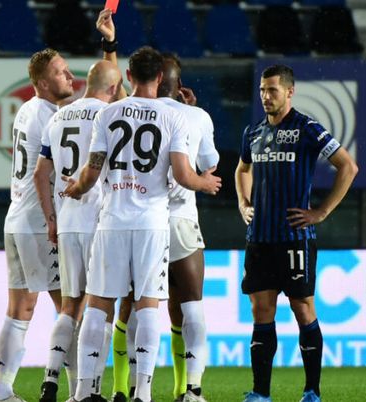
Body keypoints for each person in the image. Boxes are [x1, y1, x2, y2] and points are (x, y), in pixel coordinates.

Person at [63, 46, 221, 402]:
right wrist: (205, 183)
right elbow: (182, 174)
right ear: (161, 77)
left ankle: (87, 392)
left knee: (100, 304)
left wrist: (76, 188)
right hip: (152, 222)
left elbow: (91, 170)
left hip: (112, 220)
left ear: (129, 77)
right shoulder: (176, 118)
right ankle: (144, 393)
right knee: (149, 303)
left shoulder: (108, 113)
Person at [235, 65, 358, 402]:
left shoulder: (307, 128)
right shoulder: (254, 132)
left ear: (290, 92)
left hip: (294, 238)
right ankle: (260, 393)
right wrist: (244, 203)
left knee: (303, 309)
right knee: (262, 312)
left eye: (272, 90)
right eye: (262, 89)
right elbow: (242, 168)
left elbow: (348, 166)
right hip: (259, 238)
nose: (265, 96)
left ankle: (311, 391)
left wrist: (322, 211)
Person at [34, 60, 124, 402]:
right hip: (100, 221)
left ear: (88, 82)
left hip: (68, 221)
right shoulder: (110, 116)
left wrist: (51, 218)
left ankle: (50, 382)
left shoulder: (58, 117)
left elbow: (40, 174)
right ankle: (89, 390)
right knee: (102, 306)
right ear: (114, 88)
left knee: (70, 305)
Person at [0, 48, 75, 402]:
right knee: (69, 308)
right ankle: (78, 392)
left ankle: (2, 391)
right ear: (42, 83)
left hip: (16, 220)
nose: (69, 76)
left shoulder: (27, 110)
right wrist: (54, 218)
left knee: (19, 310)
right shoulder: (51, 119)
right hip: (40, 223)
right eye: (60, 72)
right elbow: (48, 174)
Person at [158, 53, 220, 402]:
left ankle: (138, 389)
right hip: (181, 221)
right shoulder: (195, 116)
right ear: (180, 86)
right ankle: (192, 390)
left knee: (143, 307)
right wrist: (194, 113)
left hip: (142, 223)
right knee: (191, 305)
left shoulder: (139, 113)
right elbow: (210, 164)